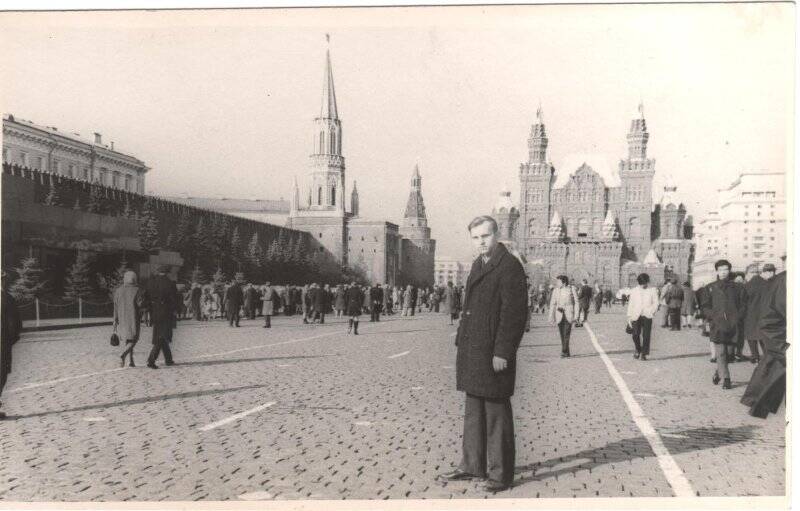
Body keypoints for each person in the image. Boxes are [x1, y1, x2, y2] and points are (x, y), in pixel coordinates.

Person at [439, 216, 527, 493]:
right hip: (473, 350)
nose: (481, 242)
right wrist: (461, 340)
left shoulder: (509, 266)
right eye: (476, 237)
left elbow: (513, 314)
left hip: (493, 351)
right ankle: (472, 465)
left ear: (496, 234)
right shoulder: (479, 264)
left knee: (496, 413)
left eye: (485, 236)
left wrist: (503, 351)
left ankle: (501, 475)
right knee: (474, 410)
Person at [741, 259, 786, 418]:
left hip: (755, 321)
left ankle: (755, 359)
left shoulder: (751, 286)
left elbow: (742, 304)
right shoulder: (776, 283)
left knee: (761, 351)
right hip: (770, 326)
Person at [700, 259, 747, 390]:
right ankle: (727, 379)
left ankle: (718, 371)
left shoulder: (738, 288)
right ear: (717, 271)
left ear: (729, 270)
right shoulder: (710, 287)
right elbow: (705, 306)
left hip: (733, 325)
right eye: (720, 270)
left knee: (730, 354)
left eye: (726, 269)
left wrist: (738, 317)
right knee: (720, 353)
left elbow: (744, 305)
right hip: (718, 325)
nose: (723, 272)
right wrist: (713, 316)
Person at [144, 265, 178, 369]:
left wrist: (150, 310)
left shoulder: (151, 283)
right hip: (166, 313)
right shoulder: (170, 283)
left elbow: (147, 298)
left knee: (161, 335)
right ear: (167, 272)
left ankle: (168, 359)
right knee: (162, 336)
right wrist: (175, 311)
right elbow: (174, 299)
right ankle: (151, 360)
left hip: (155, 312)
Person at [743, 263, 777, 364]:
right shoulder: (768, 284)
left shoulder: (746, 286)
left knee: (751, 336)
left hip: (750, 315)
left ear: (748, 273)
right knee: (763, 336)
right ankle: (767, 357)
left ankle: (755, 356)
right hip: (765, 314)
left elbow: (743, 301)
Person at [1, 271, 22, 419]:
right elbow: (14, 324)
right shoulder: (7, 298)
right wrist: (11, 339)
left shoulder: (7, 298)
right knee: (1, 374)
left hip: (4, 341)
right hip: (2, 343)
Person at [626, 273, 659, 361]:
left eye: (645, 283)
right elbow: (631, 304)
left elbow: (656, 303)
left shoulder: (652, 290)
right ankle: (638, 349)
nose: (643, 285)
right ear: (639, 283)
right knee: (635, 334)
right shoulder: (634, 291)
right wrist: (629, 316)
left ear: (647, 282)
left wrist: (651, 311)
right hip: (636, 315)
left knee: (646, 335)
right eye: (641, 284)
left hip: (647, 315)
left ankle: (644, 353)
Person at [114, 270, 143, 368]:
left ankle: (131, 361)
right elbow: (140, 304)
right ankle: (122, 354)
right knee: (134, 339)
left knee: (128, 340)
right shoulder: (137, 290)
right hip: (133, 318)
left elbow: (115, 306)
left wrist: (115, 320)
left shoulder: (118, 290)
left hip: (122, 318)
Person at [549, 275, 579, 358]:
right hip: (559, 314)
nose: (557, 283)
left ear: (564, 282)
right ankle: (566, 351)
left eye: (558, 281)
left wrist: (576, 315)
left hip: (569, 313)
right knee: (562, 334)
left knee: (566, 333)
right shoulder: (555, 290)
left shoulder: (572, 289)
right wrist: (551, 317)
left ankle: (564, 351)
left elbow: (576, 302)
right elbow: (552, 304)